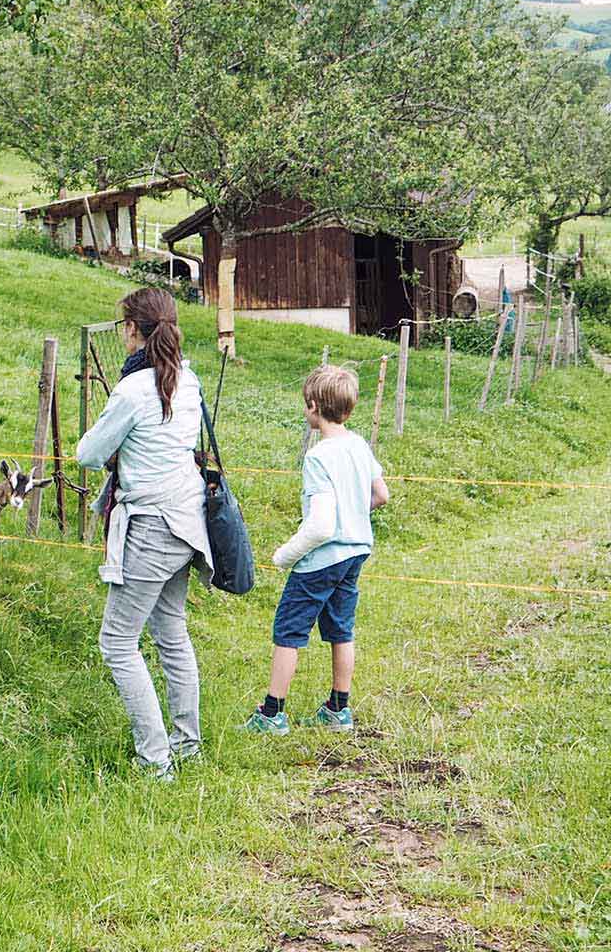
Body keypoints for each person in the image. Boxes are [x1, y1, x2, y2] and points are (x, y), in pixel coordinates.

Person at [75, 287, 211, 781]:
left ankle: (156, 760)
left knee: (117, 642)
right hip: (187, 522)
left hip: (152, 527)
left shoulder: (133, 391)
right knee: (171, 630)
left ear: (132, 331)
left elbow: (88, 453)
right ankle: (186, 744)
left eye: (121, 326)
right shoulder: (188, 381)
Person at [245, 364, 389, 734]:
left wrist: (284, 555)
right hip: (356, 551)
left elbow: (322, 526)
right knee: (342, 629)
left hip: (321, 559)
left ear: (312, 405)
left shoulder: (318, 456)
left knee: (289, 631)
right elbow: (381, 495)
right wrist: (354, 515)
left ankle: (272, 713)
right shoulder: (358, 444)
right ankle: (338, 709)